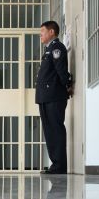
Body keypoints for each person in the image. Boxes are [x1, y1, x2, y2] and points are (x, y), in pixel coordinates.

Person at [35, 21, 72, 175]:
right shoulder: (49, 50)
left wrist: (67, 85)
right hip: (46, 96)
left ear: (51, 32)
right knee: (50, 132)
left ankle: (59, 166)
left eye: (42, 31)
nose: (40, 35)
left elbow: (61, 70)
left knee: (55, 130)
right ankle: (55, 165)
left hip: (54, 96)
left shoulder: (56, 47)